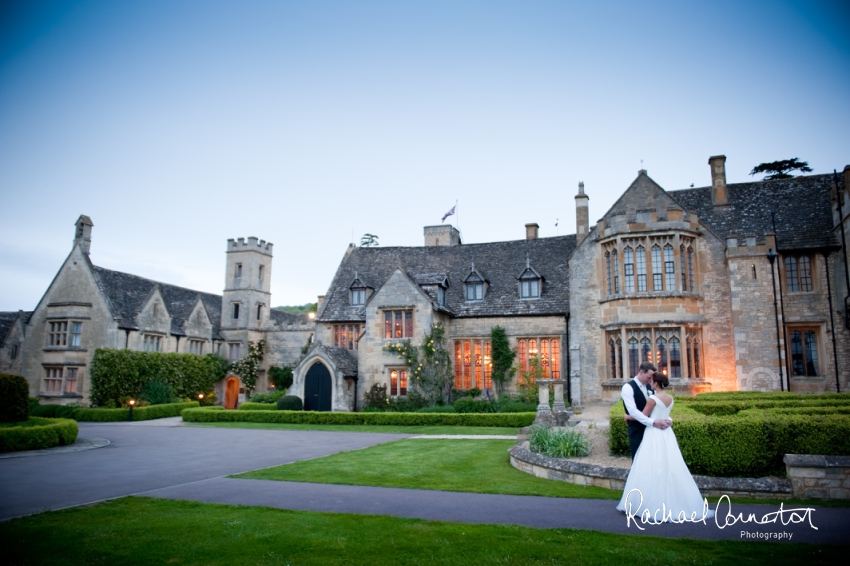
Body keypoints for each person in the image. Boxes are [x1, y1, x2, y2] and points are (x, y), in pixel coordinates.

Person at [616, 372, 712, 521]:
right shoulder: (670, 398)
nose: (650, 383)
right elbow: (666, 415)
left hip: (654, 433)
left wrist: (627, 416)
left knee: (649, 465)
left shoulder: (653, 398)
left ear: (655, 383)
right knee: (670, 463)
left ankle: (645, 503)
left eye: (652, 381)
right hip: (666, 433)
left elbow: (644, 416)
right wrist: (669, 420)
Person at [621, 362, 671, 459]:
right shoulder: (628, 387)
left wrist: (666, 419)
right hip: (637, 430)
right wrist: (652, 422)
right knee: (638, 459)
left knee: (653, 459)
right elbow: (633, 411)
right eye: (649, 377)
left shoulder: (651, 387)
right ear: (641, 372)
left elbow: (658, 406)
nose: (650, 380)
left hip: (653, 431)